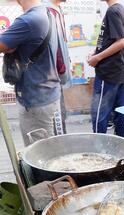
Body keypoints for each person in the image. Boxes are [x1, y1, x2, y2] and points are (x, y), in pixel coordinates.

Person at [0, 0, 60, 146]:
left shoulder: (27, 21)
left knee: (40, 155)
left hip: (35, 102)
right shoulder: (46, 12)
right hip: (49, 93)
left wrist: (9, 45)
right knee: (52, 150)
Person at [88, 0, 124, 138]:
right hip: (117, 69)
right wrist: (95, 52)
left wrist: (97, 58)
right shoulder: (119, 9)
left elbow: (121, 42)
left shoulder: (113, 11)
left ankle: (99, 146)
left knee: (99, 113)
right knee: (120, 112)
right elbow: (111, 40)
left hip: (108, 71)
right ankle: (122, 147)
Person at [47, 0, 72, 135]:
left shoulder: (56, 10)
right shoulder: (49, 11)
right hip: (52, 77)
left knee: (59, 118)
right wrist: (63, 73)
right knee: (56, 120)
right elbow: (56, 50)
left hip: (56, 76)